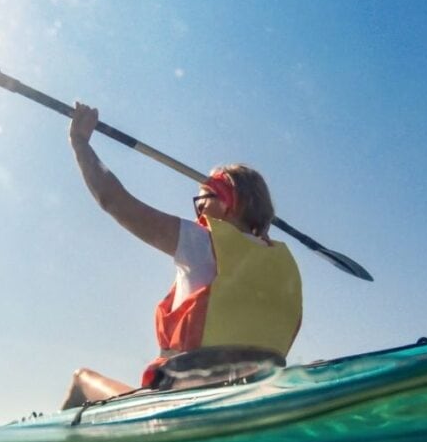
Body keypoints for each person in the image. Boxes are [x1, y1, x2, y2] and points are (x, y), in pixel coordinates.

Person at [61, 102, 303, 409]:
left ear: (226, 202)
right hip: (256, 400)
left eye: (202, 199)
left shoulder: (201, 242)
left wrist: (80, 143)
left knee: (82, 378)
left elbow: (114, 201)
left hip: (185, 399)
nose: (199, 209)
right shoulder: (285, 266)